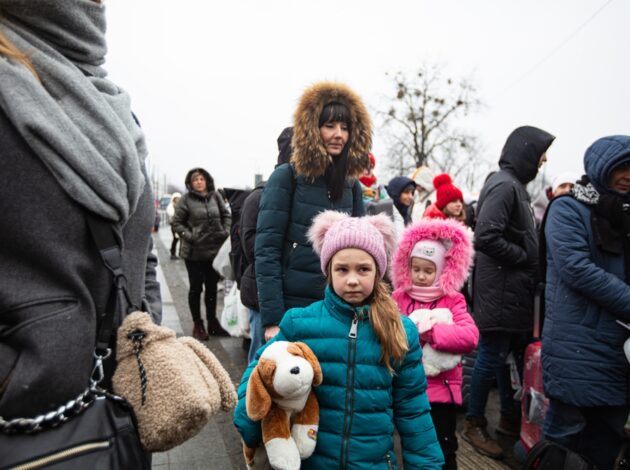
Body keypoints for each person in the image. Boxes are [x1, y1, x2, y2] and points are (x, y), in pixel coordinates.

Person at [0, 0, 161, 429]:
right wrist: (23, 372)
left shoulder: (110, 102)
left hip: (119, 404)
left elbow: (137, 243)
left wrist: (148, 323)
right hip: (27, 424)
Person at [234, 211, 444, 469]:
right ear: (328, 272)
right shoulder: (299, 324)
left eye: (363, 269)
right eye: (342, 269)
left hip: (374, 463)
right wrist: (249, 424)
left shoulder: (400, 331)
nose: (353, 279)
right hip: (313, 462)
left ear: (378, 272)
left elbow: (413, 411)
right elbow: (260, 371)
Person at [463, 125, 555, 459]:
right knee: (490, 357)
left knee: (504, 361)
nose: (542, 163)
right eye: (540, 156)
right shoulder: (504, 186)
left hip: (509, 291)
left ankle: (508, 418)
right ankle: (474, 424)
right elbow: (486, 235)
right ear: (525, 153)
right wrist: (525, 258)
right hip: (501, 290)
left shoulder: (513, 186)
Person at [541, 136, 630, 470]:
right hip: (577, 347)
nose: (628, 175)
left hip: (617, 352)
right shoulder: (568, 208)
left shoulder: (624, 215)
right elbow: (577, 269)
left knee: (604, 445)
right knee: (562, 444)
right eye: (621, 166)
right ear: (600, 167)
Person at [255, 82, 368, 343]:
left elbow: (363, 252)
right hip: (292, 311)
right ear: (312, 130)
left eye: (345, 127)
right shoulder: (287, 177)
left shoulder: (352, 185)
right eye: (329, 126)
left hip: (338, 309)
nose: (338, 134)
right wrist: (273, 319)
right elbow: (266, 250)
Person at [391, 218, 479, 469]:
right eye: (415, 269)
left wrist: (431, 333)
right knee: (410, 446)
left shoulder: (452, 300)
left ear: (441, 271)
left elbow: (469, 336)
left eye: (428, 270)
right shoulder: (398, 298)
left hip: (440, 392)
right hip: (406, 388)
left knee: (443, 446)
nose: (420, 276)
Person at [240, 127, 293, 363]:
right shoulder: (259, 196)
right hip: (263, 294)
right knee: (262, 362)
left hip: (292, 292)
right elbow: (253, 247)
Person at [172, 168, 231, 340]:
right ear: (190, 183)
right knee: (196, 289)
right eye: (195, 179)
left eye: (201, 179)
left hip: (213, 251)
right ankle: (198, 324)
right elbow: (177, 223)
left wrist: (225, 230)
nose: (198, 182)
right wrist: (190, 236)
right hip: (194, 253)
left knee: (212, 289)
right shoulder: (185, 200)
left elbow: (226, 215)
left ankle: (212, 322)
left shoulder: (215, 197)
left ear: (207, 181)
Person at [166, 192, 182, 259]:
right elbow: (171, 215)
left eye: (179, 199)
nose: (177, 200)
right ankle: (173, 253)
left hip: (180, 225)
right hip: (174, 225)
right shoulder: (171, 206)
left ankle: (181, 253)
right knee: (176, 239)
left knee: (182, 240)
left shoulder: (181, 206)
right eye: (176, 199)